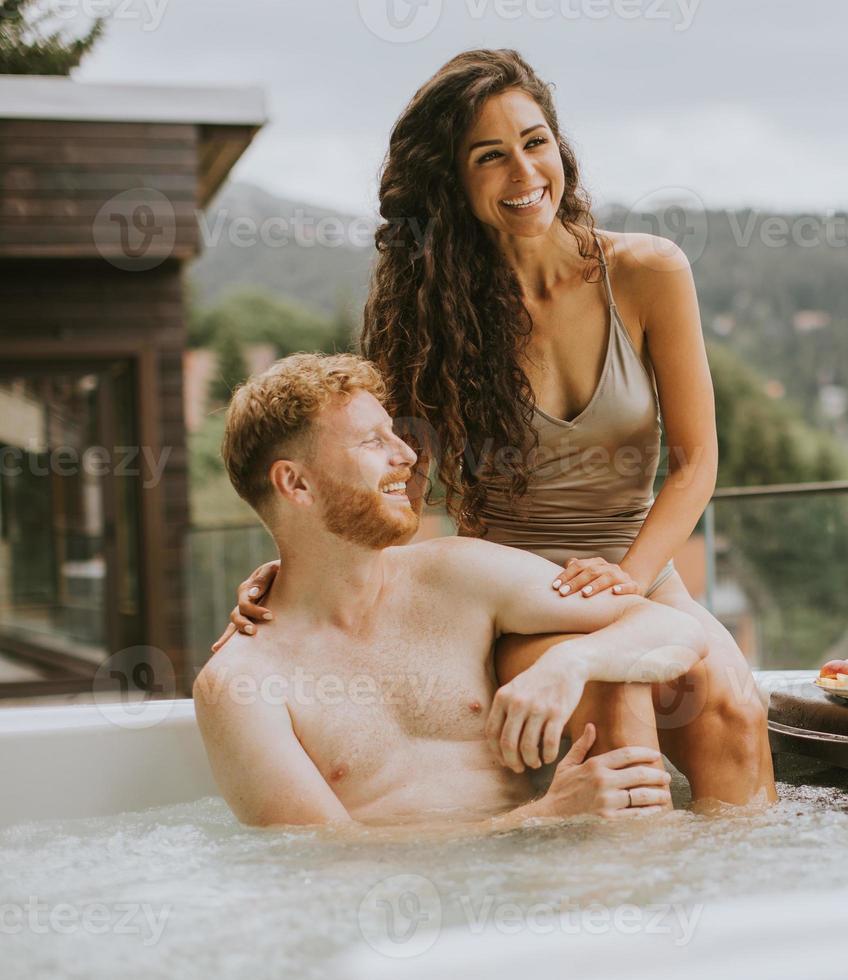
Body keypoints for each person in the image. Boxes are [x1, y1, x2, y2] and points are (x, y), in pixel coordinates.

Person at [214, 49, 775, 806]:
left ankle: (747, 908)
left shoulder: (648, 273)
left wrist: (631, 578)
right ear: (453, 182)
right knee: (615, 707)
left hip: (636, 572)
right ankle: (636, 905)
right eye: (490, 157)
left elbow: (696, 463)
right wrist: (291, 572)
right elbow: (387, 480)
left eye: (535, 142)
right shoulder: (424, 319)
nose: (524, 173)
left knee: (732, 706)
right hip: (504, 591)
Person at [194, 353, 710, 828]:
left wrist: (571, 663)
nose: (407, 455)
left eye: (395, 434)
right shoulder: (241, 684)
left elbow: (676, 628)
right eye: (373, 442)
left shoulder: (457, 576)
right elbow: (320, 860)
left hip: (540, 887)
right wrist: (545, 815)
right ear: (296, 484)